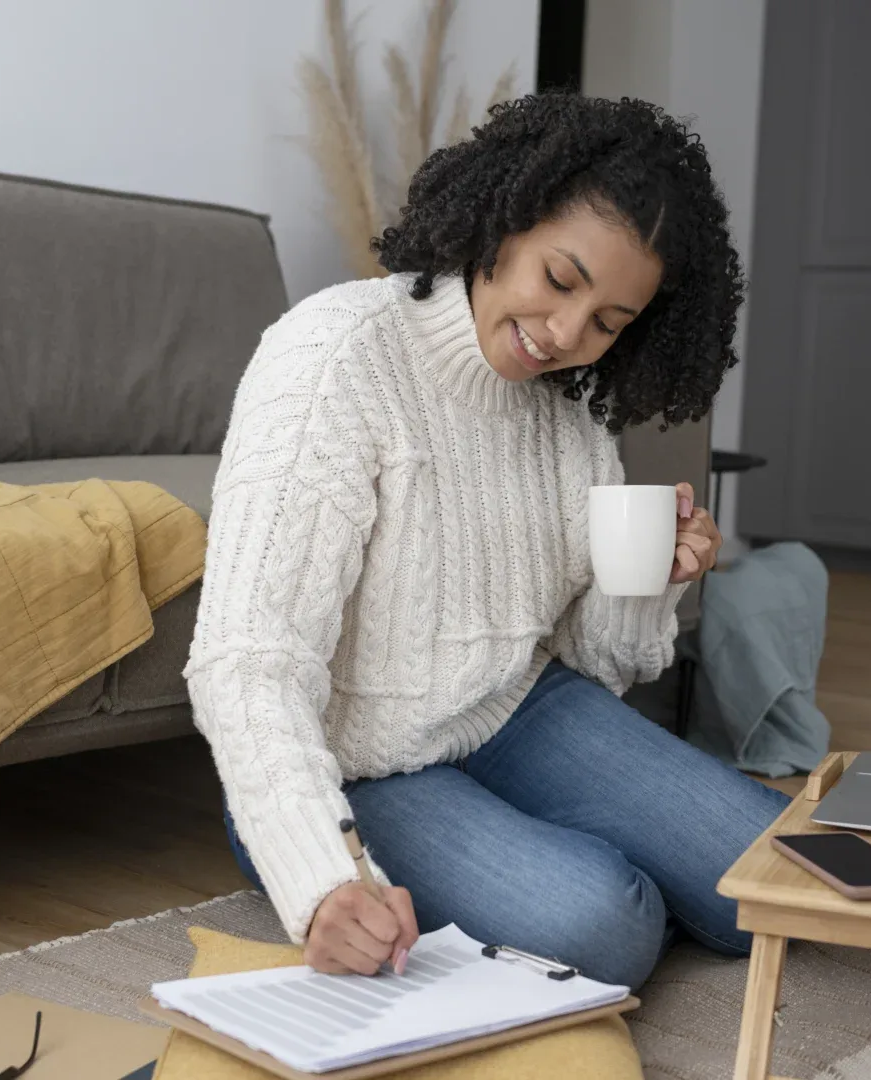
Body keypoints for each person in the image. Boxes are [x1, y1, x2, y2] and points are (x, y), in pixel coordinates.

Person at [185, 92, 790, 990]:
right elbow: (247, 659)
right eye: (559, 280)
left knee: (779, 878)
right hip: (360, 764)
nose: (564, 336)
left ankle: (536, 852)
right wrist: (320, 878)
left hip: (519, 710)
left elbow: (597, 659)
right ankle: (538, 867)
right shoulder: (332, 358)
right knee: (605, 926)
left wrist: (647, 580)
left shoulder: (569, 410)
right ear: (502, 217)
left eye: (609, 323)